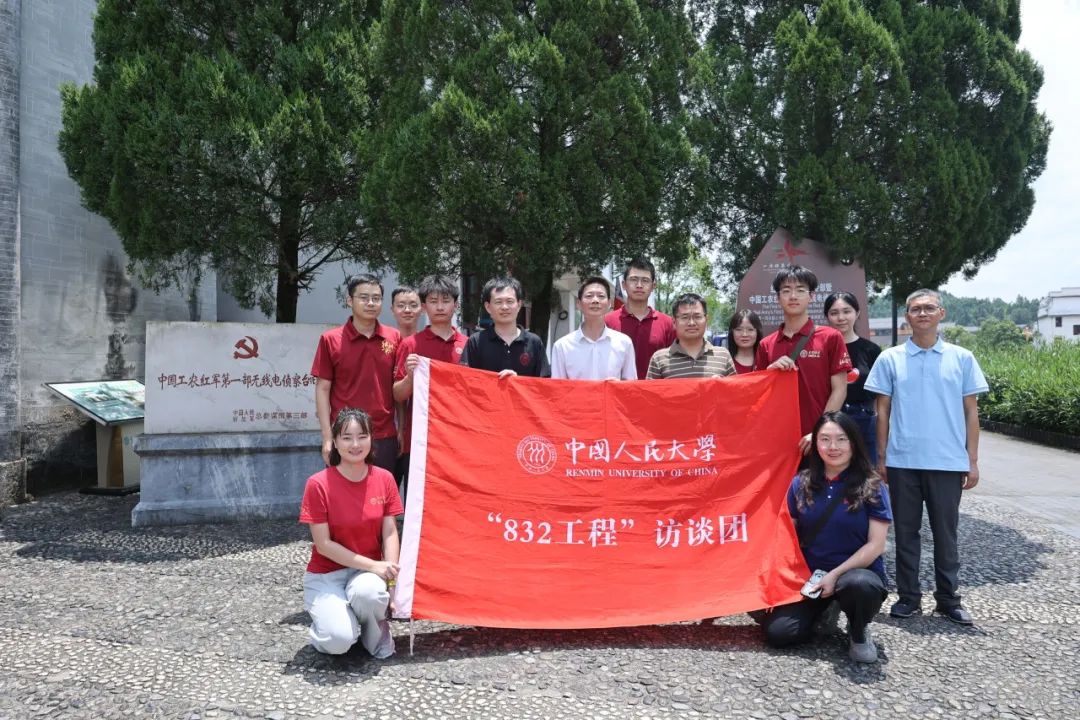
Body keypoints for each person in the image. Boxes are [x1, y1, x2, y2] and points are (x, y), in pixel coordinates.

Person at [864, 289, 988, 625]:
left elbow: (971, 412)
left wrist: (972, 460)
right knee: (905, 533)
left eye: (929, 308)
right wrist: (882, 457)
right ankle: (908, 597)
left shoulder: (962, 358)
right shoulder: (890, 358)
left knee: (946, 534)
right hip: (903, 461)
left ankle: (948, 599)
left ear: (941, 313)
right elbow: (882, 411)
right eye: (916, 309)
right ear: (907, 316)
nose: (922, 313)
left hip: (947, 462)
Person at [759, 411, 892, 663]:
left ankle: (858, 629)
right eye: (825, 439)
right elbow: (787, 536)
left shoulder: (872, 486)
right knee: (778, 633)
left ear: (854, 443)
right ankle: (824, 611)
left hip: (856, 573)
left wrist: (834, 576)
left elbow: (876, 545)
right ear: (815, 443)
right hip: (812, 577)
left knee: (860, 586)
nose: (833, 447)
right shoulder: (801, 483)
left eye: (841, 439)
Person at [298, 408, 403, 658]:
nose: (355, 444)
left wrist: (391, 581)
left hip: (365, 575)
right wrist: (374, 565)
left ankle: (372, 632)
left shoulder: (384, 479)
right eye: (346, 437)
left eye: (362, 436)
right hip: (326, 575)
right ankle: (334, 624)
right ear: (335, 442)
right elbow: (323, 545)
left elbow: (389, 532)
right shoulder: (318, 484)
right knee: (338, 641)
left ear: (371, 439)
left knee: (370, 593)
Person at [756, 266, 852, 453]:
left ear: (811, 296)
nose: (793, 296)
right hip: (778, 440)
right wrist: (770, 372)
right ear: (777, 298)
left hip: (818, 440)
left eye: (800, 290)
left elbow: (840, 389)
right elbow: (759, 395)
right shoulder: (766, 344)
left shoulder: (830, 337)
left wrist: (820, 431)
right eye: (786, 291)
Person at [312, 274, 400, 471]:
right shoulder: (330, 339)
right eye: (364, 297)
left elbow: (398, 388)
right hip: (344, 435)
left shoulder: (394, 337)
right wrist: (327, 437)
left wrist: (400, 429)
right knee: (342, 489)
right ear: (350, 300)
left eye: (376, 298)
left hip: (384, 434)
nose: (371, 303)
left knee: (382, 488)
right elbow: (323, 389)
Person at [393, 275, 468, 504]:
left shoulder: (468, 344)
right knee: (418, 502)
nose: (440, 307)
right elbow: (397, 394)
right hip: (419, 439)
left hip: (458, 439)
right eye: (433, 301)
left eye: (445, 301)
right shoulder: (411, 344)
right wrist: (410, 377)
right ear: (424, 307)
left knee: (455, 501)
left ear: (455, 305)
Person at [824, 291, 882, 464]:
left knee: (865, 472)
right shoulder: (820, 350)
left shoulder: (871, 350)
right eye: (834, 313)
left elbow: (880, 395)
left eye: (847, 311)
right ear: (827, 316)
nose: (841, 318)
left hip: (864, 422)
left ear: (857, 313)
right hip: (830, 421)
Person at [461, 277, 551, 377]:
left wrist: (517, 382)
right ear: (488, 307)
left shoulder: (534, 342)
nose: (504, 307)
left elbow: (543, 382)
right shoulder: (476, 342)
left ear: (519, 305)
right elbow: (465, 379)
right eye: (498, 302)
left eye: (510, 301)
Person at [551, 276, 637, 380]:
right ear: (578, 303)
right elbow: (558, 387)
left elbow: (631, 385)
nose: (595, 300)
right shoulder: (562, 346)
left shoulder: (624, 343)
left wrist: (619, 386)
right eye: (589, 296)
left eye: (601, 296)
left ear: (609, 303)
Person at [604, 258, 676, 380]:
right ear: (624, 285)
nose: (639, 285)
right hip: (619, 390)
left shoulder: (667, 323)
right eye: (633, 279)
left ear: (653, 286)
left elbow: (675, 362)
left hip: (656, 390)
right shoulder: (608, 321)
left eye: (645, 280)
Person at [647, 293, 735, 379]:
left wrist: (721, 385)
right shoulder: (659, 359)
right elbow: (650, 389)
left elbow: (736, 388)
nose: (691, 323)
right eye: (685, 317)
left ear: (706, 320)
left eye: (697, 317)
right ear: (674, 322)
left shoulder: (723, 356)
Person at [726, 309, 764, 374]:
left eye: (750, 330)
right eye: (739, 329)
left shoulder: (766, 361)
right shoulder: (724, 361)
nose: (744, 334)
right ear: (732, 332)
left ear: (757, 332)